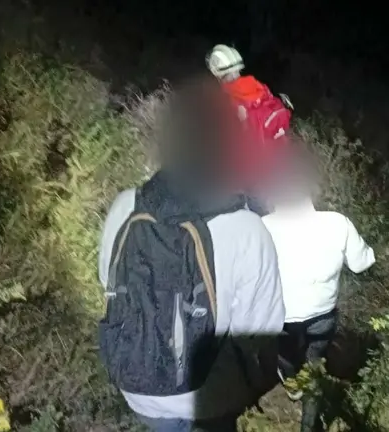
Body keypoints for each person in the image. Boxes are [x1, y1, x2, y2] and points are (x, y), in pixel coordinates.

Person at [97, 74, 285, 432]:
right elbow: (262, 331)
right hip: (209, 397)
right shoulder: (247, 230)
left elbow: (108, 281)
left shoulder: (125, 206)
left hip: (135, 384)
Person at [260, 162, 376, 432]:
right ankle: (309, 421)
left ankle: (292, 384)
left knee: (286, 356)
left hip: (281, 317)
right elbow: (362, 263)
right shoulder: (337, 223)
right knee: (315, 363)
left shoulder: (261, 227)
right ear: (309, 192)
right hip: (322, 315)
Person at [205, 44, 294, 215]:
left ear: (216, 71)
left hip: (249, 178)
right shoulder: (261, 89)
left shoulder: (225, 99)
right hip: (276, 167)